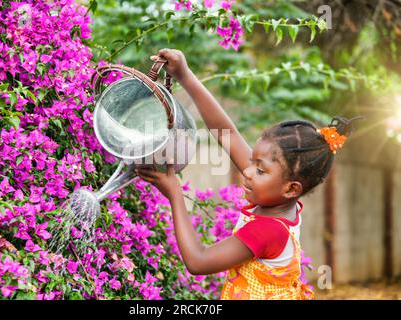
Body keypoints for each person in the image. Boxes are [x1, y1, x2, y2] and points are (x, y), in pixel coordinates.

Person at [135, 48, 361, 300]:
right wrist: (185, 75)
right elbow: (226, 133)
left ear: (291, 188)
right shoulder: (279, 198)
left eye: (260, 169)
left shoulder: (267, 230)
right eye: (252, 162)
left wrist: (175, 194)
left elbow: (198, 262)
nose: (248, 172)